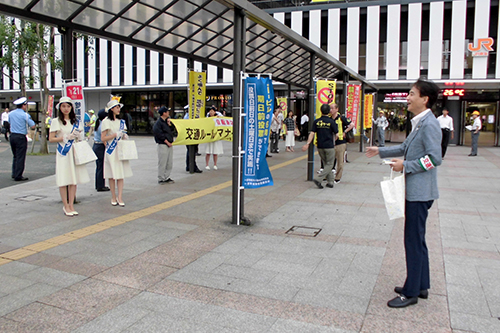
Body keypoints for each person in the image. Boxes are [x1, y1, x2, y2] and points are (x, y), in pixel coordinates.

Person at [366, 79, 441, 308]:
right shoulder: (419, 122)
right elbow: (405, 148)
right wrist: (380, 151)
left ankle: (411, 293)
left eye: (411, 94)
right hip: (416, 191)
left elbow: (434, 158)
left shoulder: (429, 124)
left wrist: (405, 166)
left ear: (424, 99)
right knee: (417, 239)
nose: (407, 98)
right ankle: (421, 285)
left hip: (420, 192)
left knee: (412, 240)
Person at [48, 97, 90, 216]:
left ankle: (71, 205)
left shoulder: (76, 121)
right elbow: (51, 138)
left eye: (68, 106)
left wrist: (78, 136)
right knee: (64, 179)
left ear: (71, 107)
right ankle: (65, 206)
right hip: (63, 153)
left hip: (74, 151)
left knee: (73, 179)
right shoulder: (56, 121)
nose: (66, 109)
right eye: (63, 106)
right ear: (59, 108)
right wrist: (64, 138)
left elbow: (80, 136)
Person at [101, 99, 133, 207]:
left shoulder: (121, 122)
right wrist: (115, 135)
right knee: (112, 175)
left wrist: (124, 136)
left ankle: (120, 196)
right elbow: (103, 138)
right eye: (116, 107)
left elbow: (123, 133)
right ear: (111, 109)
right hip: (111, 150)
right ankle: (113, 196)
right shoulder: (106, 121)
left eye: (119, 107)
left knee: (120, 174)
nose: (118, 109)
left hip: (120, 149)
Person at [302, 104, 338, 189]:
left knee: (326, 163)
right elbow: (336, 134)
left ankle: (330, 182)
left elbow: (312, 133)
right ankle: (319, 179)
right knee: (330, 164)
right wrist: (335, 141)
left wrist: (307, 143)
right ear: (329, 111)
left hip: (320, 146)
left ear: (321, 111)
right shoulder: (332, 122)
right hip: (329, 146)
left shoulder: (317, 121)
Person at [9, 97, 35, 181]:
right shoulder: (25, 115)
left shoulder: (11, 113)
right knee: (21, 156)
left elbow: (9, 122)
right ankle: (18, 175)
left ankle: (14, 173)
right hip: (21, 137)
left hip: (12, 136)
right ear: (23, 105)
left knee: (15, 156)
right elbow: (33, 125)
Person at [331, 104, 354, 184]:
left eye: (332, 108)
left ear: (337, 109)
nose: (331, 110)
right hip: (331, 143)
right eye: (330, 108)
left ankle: (338, 178)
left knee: (340, 162)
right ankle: (328, 176)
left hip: (340, 142)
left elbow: (351, 124)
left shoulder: (341, 118)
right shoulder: (329, 119)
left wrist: (345, 132)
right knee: (329, 161)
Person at [153, 106, 175, 184]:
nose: (168, 113)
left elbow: (172, 131)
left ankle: (167, 176)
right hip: (163, 144)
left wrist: (169, 124)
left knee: (169, 162)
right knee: (163, 162)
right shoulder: (158, 123)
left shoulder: (166, 122)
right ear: (164, 113)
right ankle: (161, 178)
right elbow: (159, 134)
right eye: (167, 112)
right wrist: (166, 141)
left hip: (169, 144)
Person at [92, 109, 110, 192]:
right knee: (101, 166)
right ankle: (100, 185)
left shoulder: (98, 122)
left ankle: (99, 184)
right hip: (100, 146)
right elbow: (104, 138)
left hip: (96, 145)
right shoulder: (103, 124)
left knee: (99, 166)